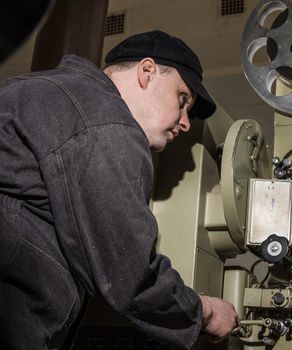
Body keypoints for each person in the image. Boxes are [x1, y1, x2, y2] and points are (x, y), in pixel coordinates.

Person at [0, 30, 238, 349]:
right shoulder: (106, 123)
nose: (184, 123)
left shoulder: (36, 90)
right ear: (147, 71)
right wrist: (205, 310)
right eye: (182, 100)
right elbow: (127, 275)